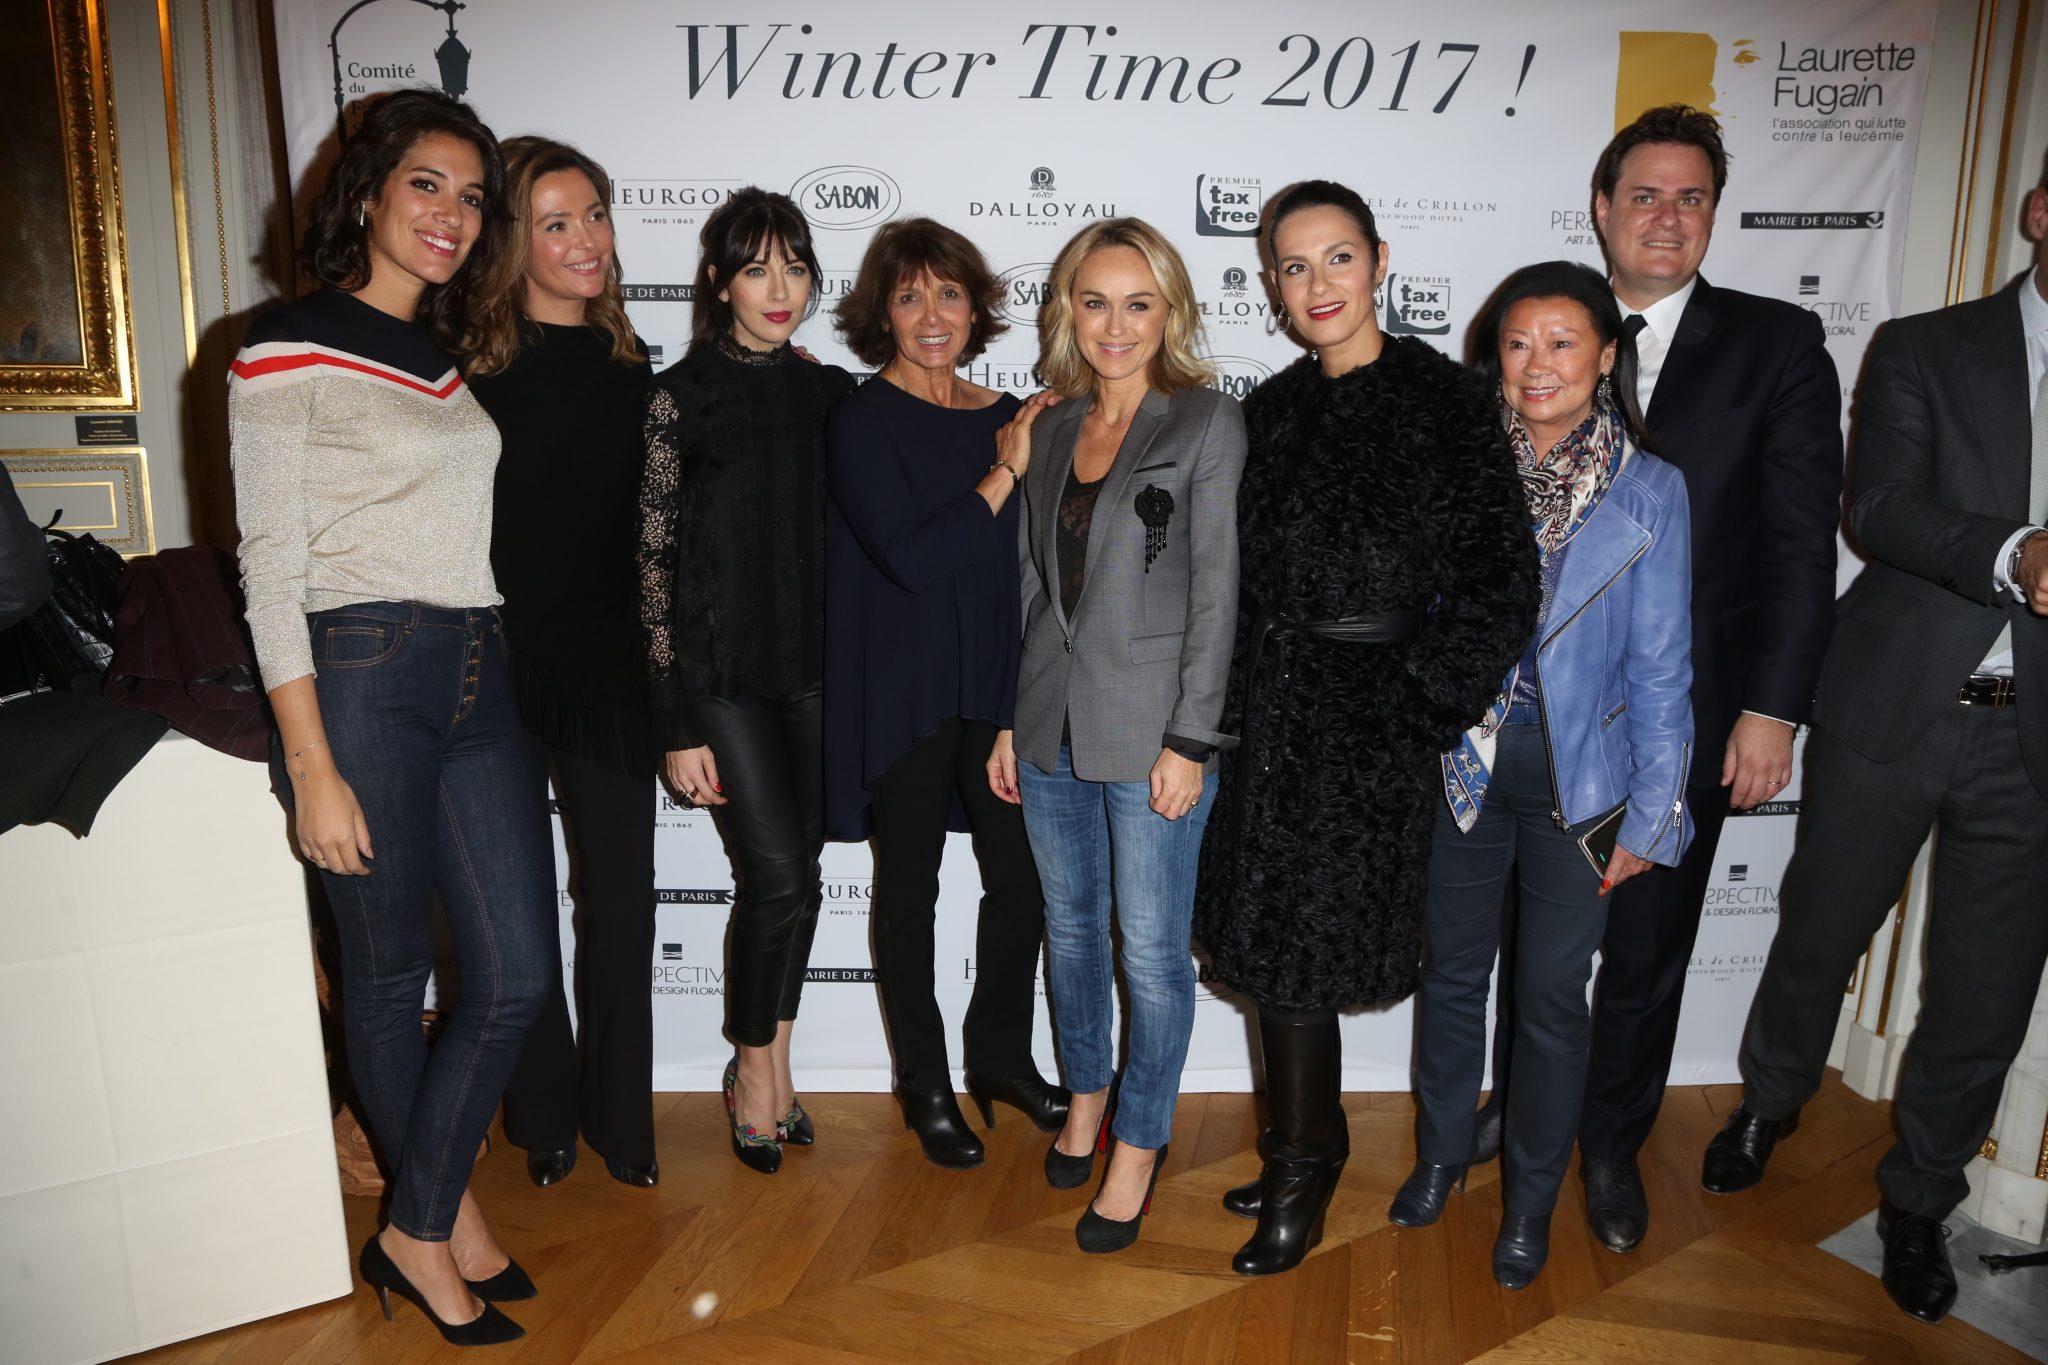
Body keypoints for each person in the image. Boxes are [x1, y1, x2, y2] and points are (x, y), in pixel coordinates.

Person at [1476, 104, 1844, 1258]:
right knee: (1531, 937)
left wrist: (1771, 709)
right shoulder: (1542, 330)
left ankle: (1608, 1146)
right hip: (1538, 717)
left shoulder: (1776, 344)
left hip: (1684, 711)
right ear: (1601, 208)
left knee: (1641, 946)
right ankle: (1519, 1108)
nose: (1667, 217)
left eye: (1691, 197)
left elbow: (1796, 547)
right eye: (1644, 194)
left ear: (1713, 212)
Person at [1701, 162, 2048, 1326]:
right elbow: (1878, 509)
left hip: (2032, 743)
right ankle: (1768, 1100)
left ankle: (1919, 1198)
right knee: (1819, 928)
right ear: (2037, 211)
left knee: (1984, 991)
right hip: (1893, 704)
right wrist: (2014, 553)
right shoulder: (1925, 346)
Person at [228, 89, 543, 1346]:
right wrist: (310, 765)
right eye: (426, 185)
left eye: (470, 197)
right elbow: (269, 568)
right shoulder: (283, 346)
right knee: (388, 977)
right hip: (359, 670)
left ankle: (419, 1216)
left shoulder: (448, 361)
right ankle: (434, 1225)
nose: (451, 215)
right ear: (364, 194)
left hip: (478, 664)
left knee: (515, 974)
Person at [1192, 180, 1539, 1278]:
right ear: (1272, 285)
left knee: (1303, 959)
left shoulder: (1446, 401)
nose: (1317, 284)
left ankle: (1304, 1166)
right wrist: (1227, 714)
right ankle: (1304, 1143)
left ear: (1378, 260)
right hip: (1270, 715)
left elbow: (1499, 582)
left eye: (1336, 257)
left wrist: (1417, 708)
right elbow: (1236, 580)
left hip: (1368, 727)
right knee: (1265, 954)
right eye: (1293, 267)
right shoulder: (1270, 409)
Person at [1409, 260, 1694, 1290]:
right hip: (1464, 757)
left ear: (1606, 357)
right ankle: (1441, 1156)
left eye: (1562, 342)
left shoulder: (1651, 488)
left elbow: (1661, 667)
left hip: (1583, 777)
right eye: (1517, 342)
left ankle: (1529, 1204)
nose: (1537, 363)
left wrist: (1653, 816)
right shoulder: (1453, 467)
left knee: (1549, 1001)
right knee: (1450, 974)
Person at [990, 218, 1245, 1254]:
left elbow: (1218, 592)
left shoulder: (1205, 420)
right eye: (1094, 301)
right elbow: (1030, 586)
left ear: (1168, 311)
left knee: (1150, 953)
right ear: (1067, 310)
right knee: (1069, 929)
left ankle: (1138, 1144)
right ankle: (1086, 1094)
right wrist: (1012, 719)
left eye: (1137, 303)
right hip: (1048, 724)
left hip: (1153, 738)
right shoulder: (1052, 425)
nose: (1115, 324)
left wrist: (1191, 738)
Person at [824, 217, 1066, 1169]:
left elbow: (1027, 572)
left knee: (1024, 880)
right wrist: (1005, 469)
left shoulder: (1008, 412)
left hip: (996, 687)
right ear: (883, 312)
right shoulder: (862, 420)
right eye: (909, 295)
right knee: (910, 891)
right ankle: (923, 1081)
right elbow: (914, 558)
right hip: (901, 689)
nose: (932, 315)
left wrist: (1016, 706)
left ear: (976, 307)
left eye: (950, 293)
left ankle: (999, 1055)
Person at [636, 188, 855, 1175]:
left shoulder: (830, 394)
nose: (780, 289)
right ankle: (756, 1072)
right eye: (758, 268)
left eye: (795, 268)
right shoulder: (676, 397)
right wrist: (674, 717)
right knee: (776, 877)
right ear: (719, 280)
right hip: (720, 678)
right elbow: (650, 567)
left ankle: (774, 1063)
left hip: (815, 672)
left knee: (803, 878)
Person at [465, 137, 660, 1191]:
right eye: (556, 223)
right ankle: (540, 1112)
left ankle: (621, 1120)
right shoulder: (465, 371)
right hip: (493, 665)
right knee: (517, 912)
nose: (587, 240)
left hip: (611, 670)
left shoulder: (635, 370)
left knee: (621, 903)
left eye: (595, 215)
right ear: (512, 240)